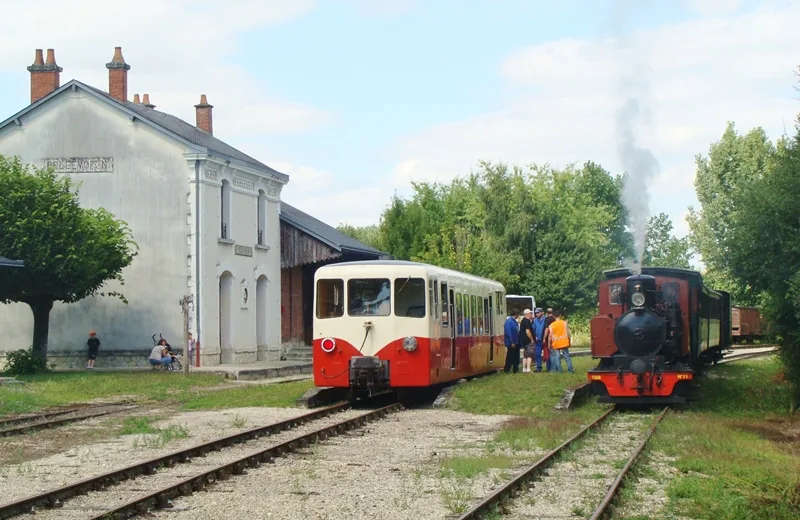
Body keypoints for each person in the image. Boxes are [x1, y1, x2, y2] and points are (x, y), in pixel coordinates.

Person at [532, 308, 547, 372]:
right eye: (536, 313)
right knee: (537, 354)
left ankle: (549, 368)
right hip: (538, 341)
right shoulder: (535, 320)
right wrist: (534, 336)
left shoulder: (546, 319)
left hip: (545, 340)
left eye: (538, 313)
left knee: (547, 354)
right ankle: (538, 368)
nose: (536, 314)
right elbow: (533, 329)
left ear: (542, 313)